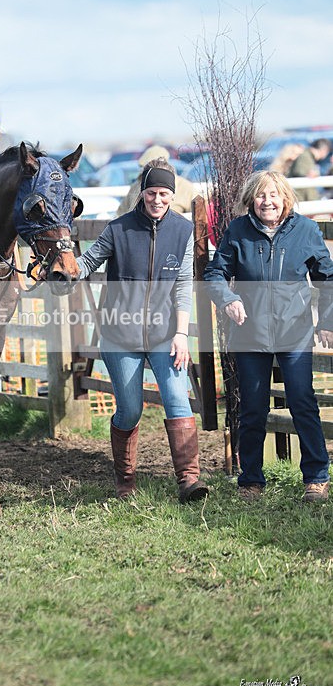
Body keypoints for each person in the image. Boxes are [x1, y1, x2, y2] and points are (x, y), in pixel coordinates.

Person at [77, 158, 209, 503]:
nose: (157, 200)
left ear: (172, 194)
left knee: (178, 398)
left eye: (164, 193)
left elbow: (182, 285)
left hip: (166, 334)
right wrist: (65, 269)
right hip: (121, 334)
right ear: (142, 192)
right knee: (130, 409)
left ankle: (189, 481)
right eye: (152, 192)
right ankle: (125, 480)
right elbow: (89, 262)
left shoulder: (182, 231)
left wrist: (181, 334)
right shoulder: (118, 229)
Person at [204, 170, 333, 502]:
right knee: (253, 409)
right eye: (261, 195)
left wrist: (327, 322)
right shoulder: (238, 231)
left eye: (274, 194)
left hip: (295, 333)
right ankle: (251, 481)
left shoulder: (305, 230)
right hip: (250, 334)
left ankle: (317, 478)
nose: (267, 201)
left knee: (303, 403)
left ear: (285, 198)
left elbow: (326, 278)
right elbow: (215, 273)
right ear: (251, 200)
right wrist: (228, 299)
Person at [116, 145, 197, 217]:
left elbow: (200, 216)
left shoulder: (185, 187)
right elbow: (120, 214)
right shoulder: (137, 185)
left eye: (163, 194)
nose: (157, 200)